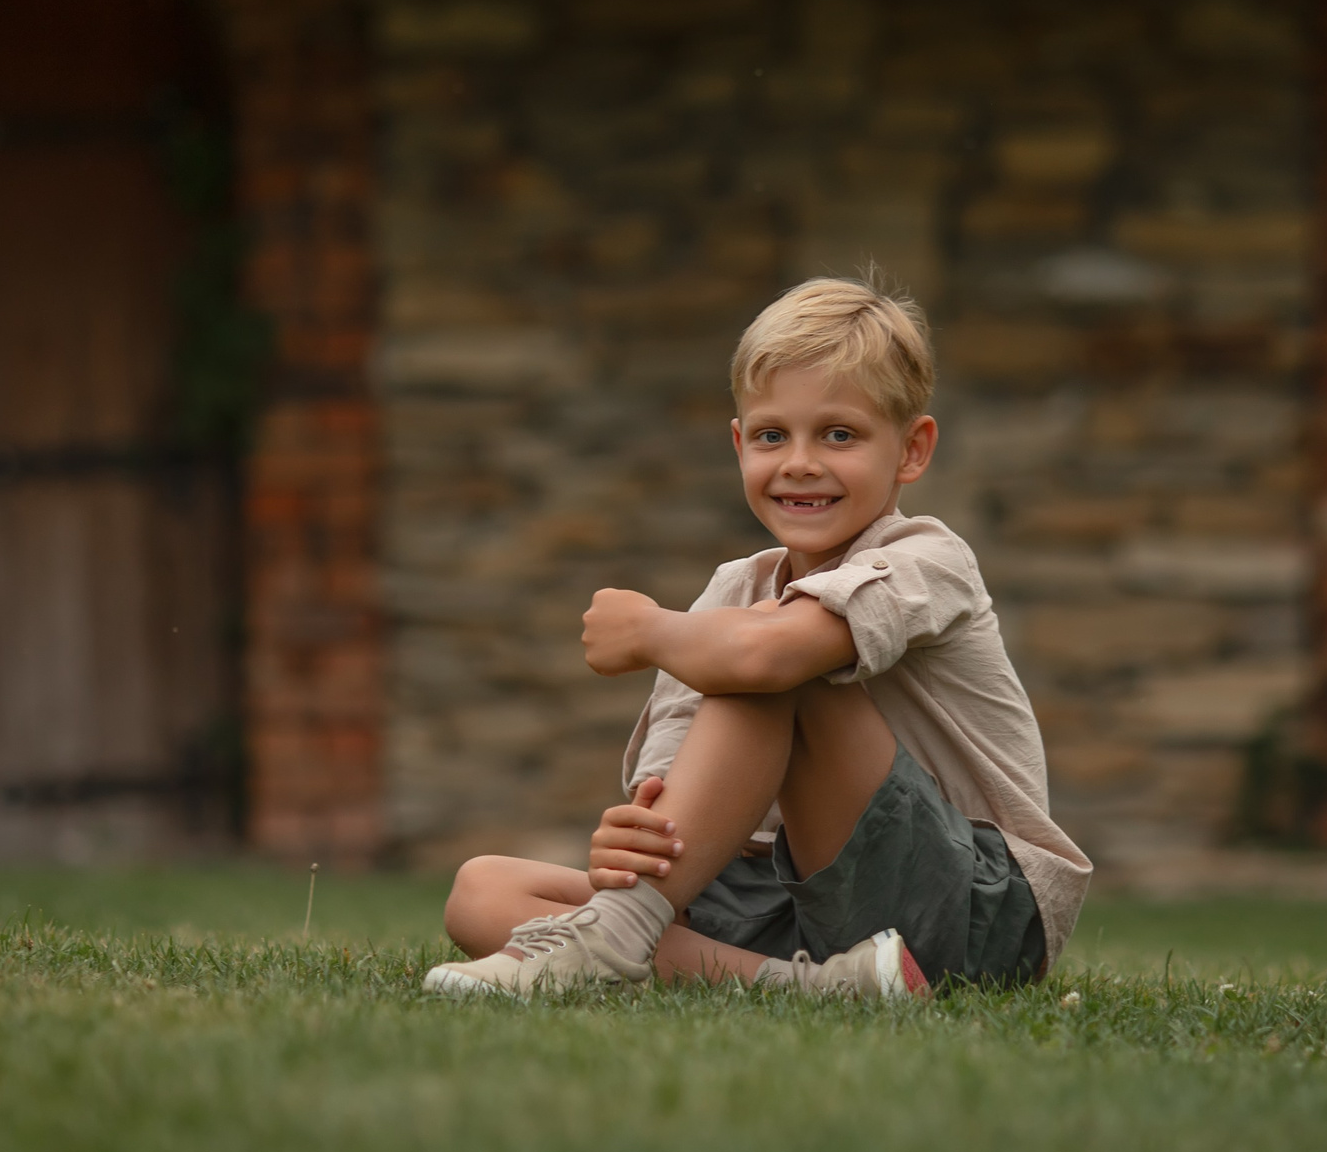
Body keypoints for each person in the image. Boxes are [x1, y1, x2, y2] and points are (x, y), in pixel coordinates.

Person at [426, 275, 1090, 999]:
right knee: (482, 889)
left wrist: (650, 629)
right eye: (773, 435)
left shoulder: (929, 560)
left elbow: (767, 657)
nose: (800, 461)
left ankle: (615, 937)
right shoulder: (732, 594)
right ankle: (817, 986)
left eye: (839, 434)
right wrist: (637, 840)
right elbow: (676, 780)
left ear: (912, 449)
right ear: (740, 443)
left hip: (971, 908)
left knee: (776, 661)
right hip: (787, 892)